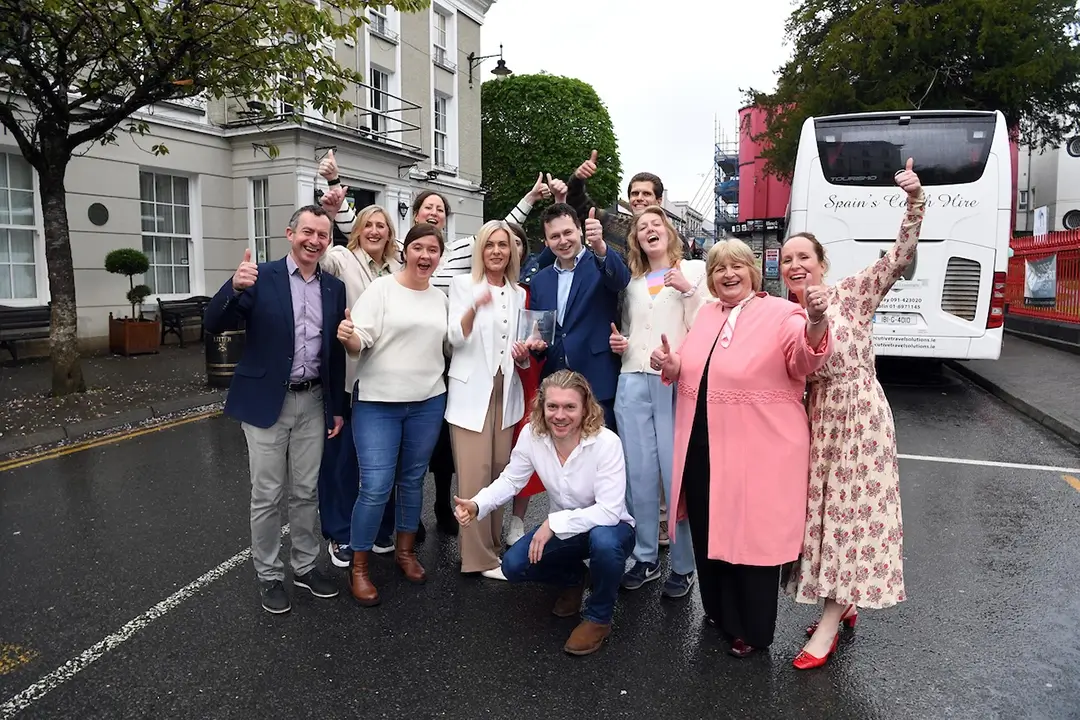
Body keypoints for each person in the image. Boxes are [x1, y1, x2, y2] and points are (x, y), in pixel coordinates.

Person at [320, 156, 550, 537]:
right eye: (428, 207)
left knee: (429, 459)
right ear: (412, 224)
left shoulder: (456, 253)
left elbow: (499, 234)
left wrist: (529, 199)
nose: (434, 213)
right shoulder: (395, 257)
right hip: (381, 374)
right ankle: (370, 537)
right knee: (374, 472)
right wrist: (333, 187)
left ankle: (424, 521)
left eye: (440, 209)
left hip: (439, 367)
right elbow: (359, 228)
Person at [652, 238, 832, 657]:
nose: (728, 274)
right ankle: (718, 611)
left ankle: (751, 628)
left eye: (736, 266)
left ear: (753, 272)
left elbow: (804, 359)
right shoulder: (706, 314)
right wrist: (672, 365)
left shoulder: (782, 313)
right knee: (708, 528)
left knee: (751, 538)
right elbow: (691, 366)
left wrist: (816, 322)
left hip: (759, 450)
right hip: (702, 443)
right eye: (719, 268)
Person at [781, 159, 924, 669]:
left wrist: (914, 202)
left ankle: (828, 626)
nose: (795, 265)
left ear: (822, 263)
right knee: (825, 519)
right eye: (787, 259)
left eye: (804, 256)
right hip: (817, 421)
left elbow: (898, 258)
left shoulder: (852, 294)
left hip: (859, 418)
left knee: (850, 518)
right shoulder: (786, 313)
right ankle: (843, 603)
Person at [204, 205, 346, 614]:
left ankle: (304, 566)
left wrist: (336, 408)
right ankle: (268, 575)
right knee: (267, 494)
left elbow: (334, 352)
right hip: (268, 400)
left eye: (322, 235)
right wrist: (233, 287)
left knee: (305, 491)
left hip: (314, 400)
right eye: (307, 232)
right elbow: (214, 323)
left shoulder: (334, 288)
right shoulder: (260, 277)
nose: (314, 241)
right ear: (290, 234)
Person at [453, 370, 635, 656]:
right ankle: (574, 579)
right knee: (514, 565)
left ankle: (599, 618)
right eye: (552, 406)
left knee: (604, 543)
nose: (559, 415)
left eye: (569, 407)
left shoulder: (606, 442)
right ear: (542, 406)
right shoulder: (532, 434)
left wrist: (553, 523)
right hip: (567, 530)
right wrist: (477, 504)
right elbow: (511, 480)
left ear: (585, 407)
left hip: (612, 528)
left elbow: (609, 512)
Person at [335, 223, 449, 607]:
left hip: (427, 402)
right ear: (405, 252)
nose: (425, 256)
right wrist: (349, 336)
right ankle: (359, 566)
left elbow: (450, 345)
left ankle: (405, 552)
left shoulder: (440, 298)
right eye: (418, 248)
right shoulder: (381, 289)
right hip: (378, 403)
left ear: (439, 256)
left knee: (413, 480)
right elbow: (360, 340)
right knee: (376, 485)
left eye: (432, 250)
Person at [611, 205, 708, 598]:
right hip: (632, 379)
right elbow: (632, 330)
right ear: (636, 239)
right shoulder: (633, 282)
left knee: (675, 474)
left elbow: (708, 323)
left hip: (674, 381)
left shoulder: (695, 271)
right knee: (639, 474)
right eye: (642, 227)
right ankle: (646, 557)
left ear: (669, 231)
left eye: (656, 224)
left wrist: (688, 290)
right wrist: (621, 344)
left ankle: (683, 566)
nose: (649, 229)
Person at [310, 199, 402, 567]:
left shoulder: (398, 267)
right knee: (342, 460)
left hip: (391, 380)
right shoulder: (341, 259)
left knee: (384, 460)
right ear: (357, 230)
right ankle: (340, 533)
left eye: (381, 225)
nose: (375, 231)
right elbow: (318, 259)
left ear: (390, 233)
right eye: (368, 224)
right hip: (350, 378)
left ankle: (379, 529)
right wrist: (330, 214)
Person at [445, 220, 534, 580]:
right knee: (474, 475)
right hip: (471, 393)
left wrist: (525, 355)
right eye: (490, 245)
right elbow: (454, 338)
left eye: (503, 245)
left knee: (498, 473)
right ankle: (476, 557)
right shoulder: (463, 285)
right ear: (480, 250)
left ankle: (493, 548)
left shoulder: (519, 293)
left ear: (512, 251)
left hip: (505, 392)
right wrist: (473, 307)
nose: (497, 251)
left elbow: (519, 351)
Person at [527, 203, 631, 430]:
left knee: (600, 447)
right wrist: (536, 346)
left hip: (597, 381)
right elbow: (541, 334)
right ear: (546, 241)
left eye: (568, 232)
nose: (563, 241)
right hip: (556, 386)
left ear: (580, 230)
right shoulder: (539, 281)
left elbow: (621, 280)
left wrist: (600, 246)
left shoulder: (600, 263)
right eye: (554, 236)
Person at [505, 220, 549, 546]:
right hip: (492, 377)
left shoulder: (533, 288)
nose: (510, 248)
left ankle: (517, 519)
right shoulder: (480, 284)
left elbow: (544, 330)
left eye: (517, 242)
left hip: (529, 372)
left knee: (526, 444)